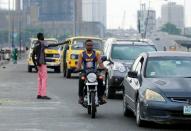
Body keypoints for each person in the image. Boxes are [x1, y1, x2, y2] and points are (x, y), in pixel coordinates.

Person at [32, 33, 64, 100]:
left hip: (38, 64)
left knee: (40, 79)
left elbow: (32, 55)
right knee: (44, 79)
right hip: (42, 63)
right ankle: (43, 95)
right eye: (43, 36)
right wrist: (62, 43)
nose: (44, 37)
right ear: (40, 37)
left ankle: (39, 94)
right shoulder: (42, 43)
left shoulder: (36, 44)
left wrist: (35, 65)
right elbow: (51, 45)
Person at [76, 39, 107, 104]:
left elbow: (100, 63)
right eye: (88, 45)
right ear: (85, 46)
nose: (89, 46)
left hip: (95, 72)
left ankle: (101, 96)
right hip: (85, 72)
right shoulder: (81, 54)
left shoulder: (96, 54)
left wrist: (104, 68)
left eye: (91, 45)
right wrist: (77, 68)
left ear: (93, 46)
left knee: (100, 78)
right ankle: (81, 97)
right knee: (81, 79)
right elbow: (79, 64)